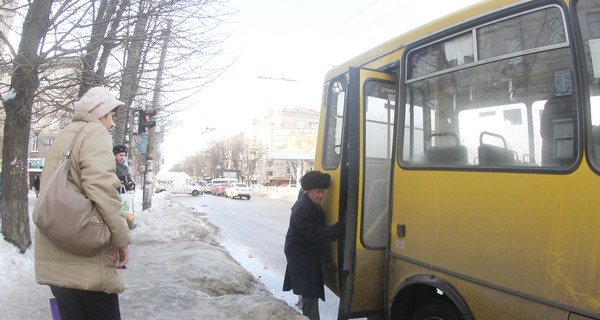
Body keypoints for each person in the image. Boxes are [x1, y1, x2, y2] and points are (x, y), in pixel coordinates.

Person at [34, 86, 131, 320]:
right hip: (87, 257)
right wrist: (120, 237)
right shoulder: (95, 133)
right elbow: (102, 189)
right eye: (112, 117)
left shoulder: (65, 135)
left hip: (55, 250)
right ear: (102, 113)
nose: (112, 124)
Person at [283, 170, 343, 320]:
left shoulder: (310, 203)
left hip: (306, 257)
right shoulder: (303, 209)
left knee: (310, 292)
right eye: (318, 192)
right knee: (309, 294)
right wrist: (336, 230)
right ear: (308, 191)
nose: (321, 195)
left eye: (322, 192)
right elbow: (313, 233)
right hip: (302, 259)